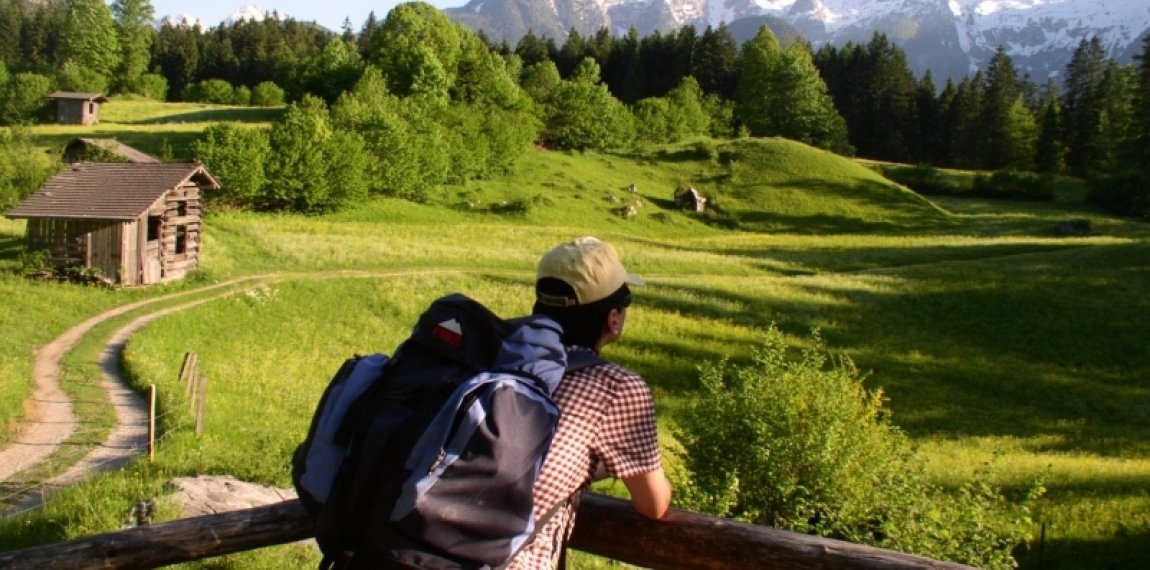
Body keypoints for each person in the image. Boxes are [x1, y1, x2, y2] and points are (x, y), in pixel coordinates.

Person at [508, 236, 673, 569]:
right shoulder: (617, 388)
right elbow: (653, 504)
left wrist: (581, 465)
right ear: (612, 319)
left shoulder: (496, 353)